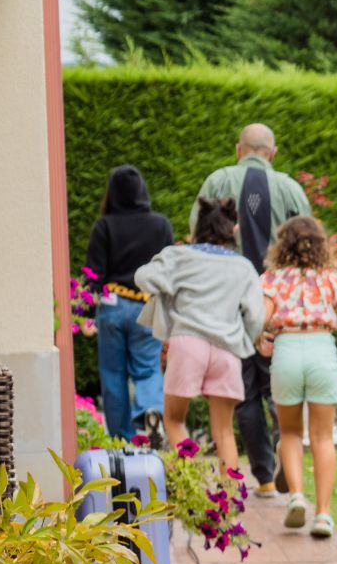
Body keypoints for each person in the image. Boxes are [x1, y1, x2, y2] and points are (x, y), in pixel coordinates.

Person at [193, 123, 313, 497]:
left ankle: (261, 475)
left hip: (229, 306)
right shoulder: (291, 189)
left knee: (242, 390)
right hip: (281, 305)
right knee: (280, 383)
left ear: (238, 149)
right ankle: (285, 452)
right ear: (272, 153)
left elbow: (199, 239)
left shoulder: (216, 182)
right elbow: (310, 249)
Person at [134, 198, 265, 472]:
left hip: (187, 344)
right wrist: (246, 340)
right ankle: (226, 506)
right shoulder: (243, 267)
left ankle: (193, 489)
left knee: (174, 420)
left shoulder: (179, 256)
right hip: (227, 351)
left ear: (198, 226)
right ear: (233, 229)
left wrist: (170, 284)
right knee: (225, 433)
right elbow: (256, 317)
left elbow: (143, 277)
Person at [259, 214, 337, 538]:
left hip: (286, 349)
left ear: (281, 245)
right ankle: (324, 515)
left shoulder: (273, 279)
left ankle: (297, 496)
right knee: (322, 437)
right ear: (320, 245)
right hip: (321, 352)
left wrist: (260, 338)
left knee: (289, 433)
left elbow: (261, 318)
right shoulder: (331, 277)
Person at [85, 164, 174, 442]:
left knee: (113, 374)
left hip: (112, 307)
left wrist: (86, 316)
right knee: (148, 367)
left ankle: (121, 439)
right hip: (146, 306)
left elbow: (93, 275)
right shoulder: (161, 225)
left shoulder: (104, 226)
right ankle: (151, 410)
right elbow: (168, 270)